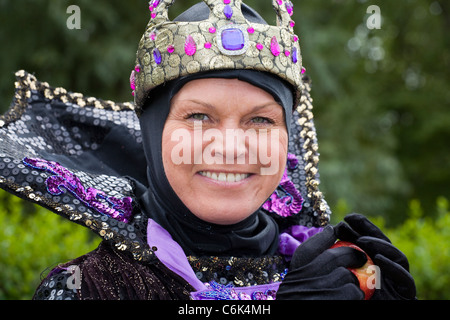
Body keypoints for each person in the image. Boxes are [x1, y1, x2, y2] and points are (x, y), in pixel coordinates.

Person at [0, 0, 415, 300]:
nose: (232, 147)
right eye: (199, 117)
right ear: (154, 132)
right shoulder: (88, 287)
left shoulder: (334, 274)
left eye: (261, 120)